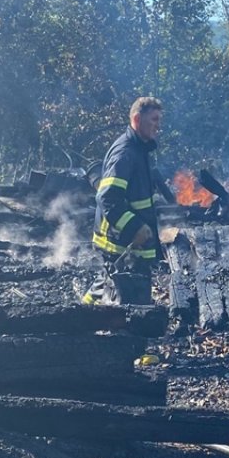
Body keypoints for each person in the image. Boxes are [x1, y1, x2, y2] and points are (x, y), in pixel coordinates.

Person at [84, 97, 164, 305]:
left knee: (106, 291)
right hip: (119, 244)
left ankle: (80, 316)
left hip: (131, 246)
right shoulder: (126, 153)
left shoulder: (141, 149)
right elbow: (108, 197)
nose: (158, 125)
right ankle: (78, 321)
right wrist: (135, 227)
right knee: (125, 308)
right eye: (154, 119)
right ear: (137, 119)